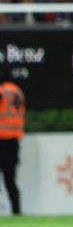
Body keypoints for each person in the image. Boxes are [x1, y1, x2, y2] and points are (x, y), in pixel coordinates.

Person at [0, 65, 24, 215]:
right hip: (13, 141)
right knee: (11, 181)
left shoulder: (2, 91)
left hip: (1, 139)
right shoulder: (18, 91)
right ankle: (17, 212)